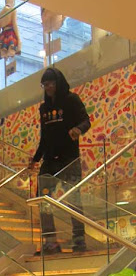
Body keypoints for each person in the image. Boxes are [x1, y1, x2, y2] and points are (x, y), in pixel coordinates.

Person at [29, 67, 91, 255]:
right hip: (49, 161)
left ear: (58, 83)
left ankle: (79, 240)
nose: (47, 87)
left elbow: (86, 120)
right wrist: (35, 159)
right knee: (43, 200)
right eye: (44, 84)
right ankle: (51, 242)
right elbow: (44, 137)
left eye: (50, 83)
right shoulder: (44, 108)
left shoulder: (71, 100)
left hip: (69, 159)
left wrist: (78, 130)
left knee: (74, 200)